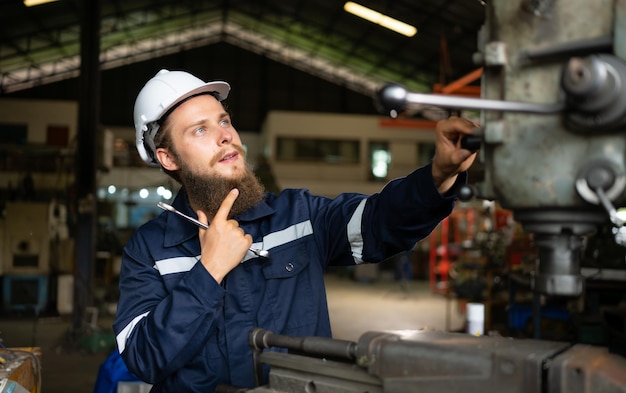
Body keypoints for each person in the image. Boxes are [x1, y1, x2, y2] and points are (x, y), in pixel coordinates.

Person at [113, 69, 477, 392]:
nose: (225, 136)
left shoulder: (298, 216)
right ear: (169, 158)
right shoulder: (149, 250)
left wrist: (437, 176)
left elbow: (380, 221)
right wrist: (208, 272)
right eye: (200, 129)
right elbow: (144, 358)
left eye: (224, 121)